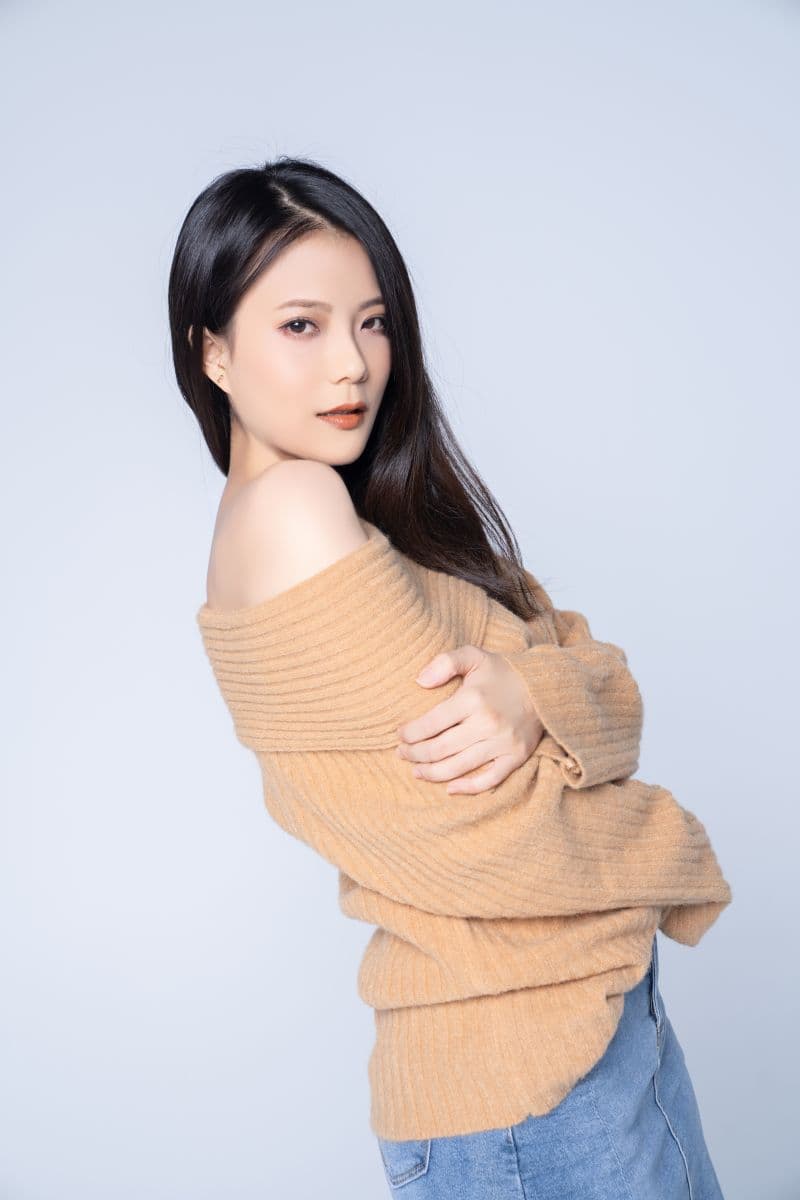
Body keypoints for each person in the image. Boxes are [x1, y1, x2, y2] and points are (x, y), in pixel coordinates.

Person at [168, 155, 731, 1198]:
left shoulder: (367, 516)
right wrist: (658, 829)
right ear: (214, 352)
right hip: (527, 1086)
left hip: (581, 1040)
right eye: (301, 326)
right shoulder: (294, 511)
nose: (352, 365)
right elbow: (495, 837)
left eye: (372, 322)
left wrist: (533, 695)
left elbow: (589, 659)